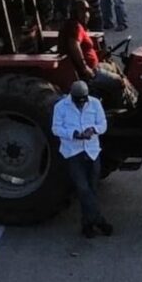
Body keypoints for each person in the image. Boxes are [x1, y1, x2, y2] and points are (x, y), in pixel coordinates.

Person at [54, 77, 113, 237]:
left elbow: (103, 124)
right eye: (77, 102)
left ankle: (87, 224)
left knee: (92, 189)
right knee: (83, 188)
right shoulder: (61, 107)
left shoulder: (94, 103)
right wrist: (74, 134)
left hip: (92, 151)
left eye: (82, 102)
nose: (80, 105)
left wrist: (93, 130)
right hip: (73, 152)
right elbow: (56, 128)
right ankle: (99, 220)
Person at [58, 0, 103, 80]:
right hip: (90, 72)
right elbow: (74, 45)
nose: (86, 15)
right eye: (82, 10)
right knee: (118, 81)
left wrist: (99, 54)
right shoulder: (76, 27)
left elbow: (85, 49)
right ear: (75, 13)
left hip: (95, 67)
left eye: (87, 11)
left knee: (113, 67)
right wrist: (84, 67)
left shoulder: (79, 27)